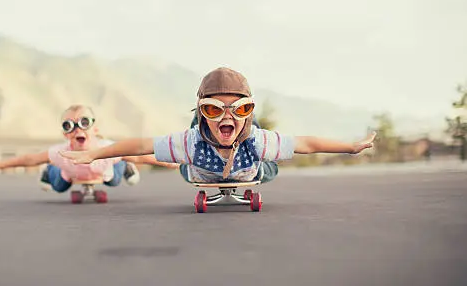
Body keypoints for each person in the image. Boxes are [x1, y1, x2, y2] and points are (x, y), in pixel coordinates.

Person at [60, 68, 376, 184]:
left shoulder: (259, 142)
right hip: (198, 167)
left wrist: (351, 147)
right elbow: (139, 145)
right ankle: (205, 117)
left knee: (267, 157)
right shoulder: (189, 143)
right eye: (213, 108)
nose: (227, 116)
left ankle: (240, 119)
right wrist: (94, 154)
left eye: (240, 109)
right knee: (187, 152)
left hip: (251, 169)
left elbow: (307, 144)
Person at [0, 104, 178, 193]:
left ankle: (124, 167)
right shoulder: (60, 152)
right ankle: (49, 171)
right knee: (59, 186)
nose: (77, 128)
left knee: (115, 178)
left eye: (84, 122)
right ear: (65, 134)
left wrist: (169, 162)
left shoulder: (106, 148)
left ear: (95, 129)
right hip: (70, 173)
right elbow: (30, 159)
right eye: (69, 125)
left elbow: (139, 156)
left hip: (104, 171)